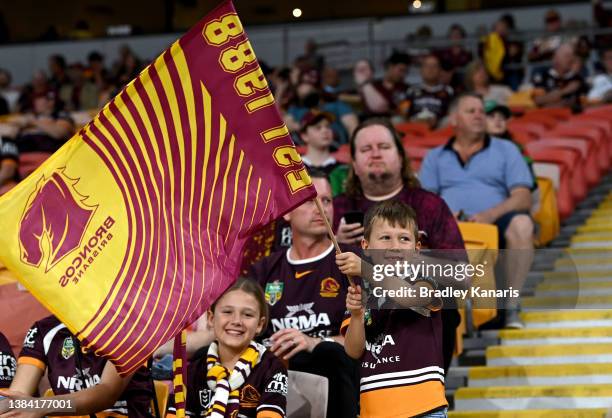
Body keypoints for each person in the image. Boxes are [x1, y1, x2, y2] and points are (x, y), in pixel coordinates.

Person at [332, 118, 465, 372]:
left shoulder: (430, 205)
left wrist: (406, 259)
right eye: (365, 149)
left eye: (383, 146)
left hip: (419, 315)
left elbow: (458, 274)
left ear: (401, 157)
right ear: (354, 165)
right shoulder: (337, 208)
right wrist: (335, 245)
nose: (375, 153)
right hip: (356, 310)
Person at [419, 93, 534, 328]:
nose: (479, 115)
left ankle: (511, 305)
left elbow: (523, 197)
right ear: (454, 119)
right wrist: (444, 217)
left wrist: (489, 215)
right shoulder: (435, 157)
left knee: (523, 224)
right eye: (471, 111)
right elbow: (424, 202)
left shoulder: (506, 149)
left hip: (497, 222)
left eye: (482, 111)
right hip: (449, 226)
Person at [251, 171, 359, 418]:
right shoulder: (264, 270)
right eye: (310, 200)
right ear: (286, 212)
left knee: (326, 354)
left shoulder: (352, 263)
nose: (321, 208)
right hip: (272, 380)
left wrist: (314, 343)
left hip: (337, 380)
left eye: (327, 201)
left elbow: (367, 339)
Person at [338, 200, 448, 418]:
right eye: (385, 237)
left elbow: (409, 297)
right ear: (365, 245)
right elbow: (353, 350)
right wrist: (357, 315)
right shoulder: (361, 291)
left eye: (404, 238)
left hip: (425, 408)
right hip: (374, 409)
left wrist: (365, 269)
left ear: (417, 249)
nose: (394, 245)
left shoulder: (427, 280)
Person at [166, 278, 288, 418]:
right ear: (211, 318)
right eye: (227, 312)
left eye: (247, 315)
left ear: (260, 325)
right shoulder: (193, 370)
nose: (236, 321)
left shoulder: (272, 368)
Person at [0, 315, 154, 417]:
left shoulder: (129, 324)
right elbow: (16, 397)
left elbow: (107, 393)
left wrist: (42, 405)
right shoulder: (43, 330)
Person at [531, 43, 588, 110]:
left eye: (572, 56)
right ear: (556, 57)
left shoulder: (576, 78)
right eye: (567, 56)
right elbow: (536, 101)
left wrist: (553, 99)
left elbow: (583, 103)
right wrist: (564, 91)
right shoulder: (542, 74)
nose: (570, 59)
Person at [405, 54, 454, 128]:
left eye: (434, 66)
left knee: (448, 120)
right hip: (414, 126)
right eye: (427, 66)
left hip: (439, 127)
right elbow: (404, 112)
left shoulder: (448, 91)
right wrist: (415, 120)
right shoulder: (411, 90)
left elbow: (452, 113)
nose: (430, 69)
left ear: (440, 70)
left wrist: (436, 119)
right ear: (421, 70)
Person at [358, 52, 410, 119]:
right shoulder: (373, 86)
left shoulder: (406, 89)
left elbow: (403, 112)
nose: (403, 75)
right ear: (390, 67)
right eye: (401, 70)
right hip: (371, 121)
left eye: (406, 71)